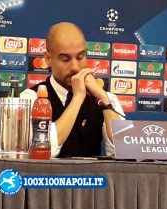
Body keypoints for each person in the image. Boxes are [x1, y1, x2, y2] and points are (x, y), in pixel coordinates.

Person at [21, 22, 124, 158]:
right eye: (65, 59)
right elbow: (44, 152)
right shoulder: (31, 98)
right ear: (48, 59)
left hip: (92, 179)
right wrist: (77, 98)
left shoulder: (105, 99)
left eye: (80, 57)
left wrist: (103, 98)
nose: (75, 67)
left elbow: (124, 151)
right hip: (45, 178)